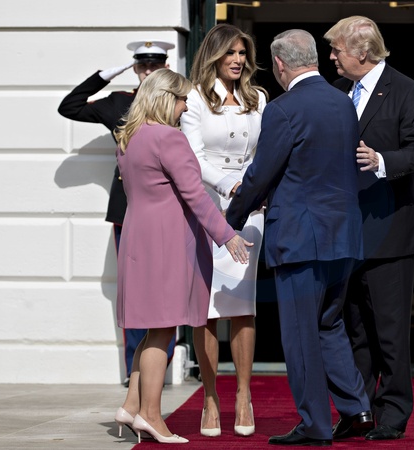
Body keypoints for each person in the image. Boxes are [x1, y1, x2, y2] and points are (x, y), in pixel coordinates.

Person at [226, 29, 371, 446]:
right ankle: (357, 408)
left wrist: (231, 218)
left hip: (300, 236)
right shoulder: (343, 102)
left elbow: (262, 173)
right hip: (343, 234)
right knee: (329, 323)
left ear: (279, 64)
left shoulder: (283, 108)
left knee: (300, 333)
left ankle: (315, 425)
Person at [112, 68, 253, 444]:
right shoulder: (168, 138)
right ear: (165, 98)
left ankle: (131, 405)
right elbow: (194, 194)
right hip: (166, 244)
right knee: (162, 329)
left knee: (151, 328)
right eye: (182, 100)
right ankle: (151, 416)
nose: (185, 108)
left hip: (138, 240)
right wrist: (227, 236)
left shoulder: (128, 138)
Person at [324, 16, 414, 441]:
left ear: (363, 52)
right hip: (346, 231)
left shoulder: (406, 90)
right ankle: (359, 410)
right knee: (355, 329)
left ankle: (394, 413)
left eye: (337, 50)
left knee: (389, 330)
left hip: (391, 229)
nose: (331, 57)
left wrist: (382, 160)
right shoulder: (337, 91)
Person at [57, 39, 177, 386]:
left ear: (166, 67)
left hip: (171, 206)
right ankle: (135, 371)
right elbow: (69, 106)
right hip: (129, 207)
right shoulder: (119, 103)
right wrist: (105, 76)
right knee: (135, 288)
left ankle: (163, 359)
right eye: (143, 66)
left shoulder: (180, 102)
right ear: (136, 68)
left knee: (170, 284)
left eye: (155, 65)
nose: (149, 71)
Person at [180, 23, 266, 438]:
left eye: (242, 53)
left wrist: (254, 189)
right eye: (230, 52)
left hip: (249, 209)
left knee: (243, 304)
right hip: (207, 206)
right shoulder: (195, 98)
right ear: (213, 55)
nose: (237, 60)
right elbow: (192, 157)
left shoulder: (258, 98)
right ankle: (210, 397)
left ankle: (244, 396)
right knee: (207, 307)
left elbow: (266, 153)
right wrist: (229, 186)